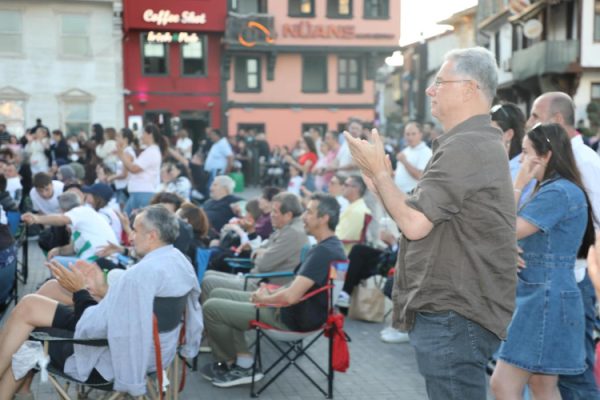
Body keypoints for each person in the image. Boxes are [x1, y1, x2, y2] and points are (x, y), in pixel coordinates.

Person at [344, 47, 517, 399]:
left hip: (455, 312)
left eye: (439, 82)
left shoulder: (467, 145)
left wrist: (380, 174)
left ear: (469, 88)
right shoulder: (470, 142)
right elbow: (417, 213)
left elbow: (414, 224)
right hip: (456, 311)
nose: (430, 90)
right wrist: (378, 180)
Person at [0, 205, 202, 398]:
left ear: (152, 235)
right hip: (153, 351)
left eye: (135, 230)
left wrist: (80, 291)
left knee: (28, 322)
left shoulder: (138, 276)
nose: (131, 236)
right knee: (52, 288)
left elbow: (91, 327)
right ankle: (22, 390)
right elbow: (137, 306)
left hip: (114, 360)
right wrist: (101, 291)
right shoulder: (180, 262)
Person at [491, 123, 595, 399]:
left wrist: (518, 184)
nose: (521, 159)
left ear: (546, 155)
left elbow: (506, 229)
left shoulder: (557, 192)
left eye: (526, 152)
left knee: (503, 384)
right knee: (542, 385)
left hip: (543, 297)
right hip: (548, 293)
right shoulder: (559, 189)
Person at [201, 193, 346, 388]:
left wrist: (265, 299)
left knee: (212, 307)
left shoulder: (323, 252)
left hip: (290, 317)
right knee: (218, 294)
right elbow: (298, 288)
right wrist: (269, 294)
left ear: (324, 218)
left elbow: (291, 296)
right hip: (300, 312)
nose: (303, 216)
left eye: (309, 212)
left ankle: (238, 366)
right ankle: (243, 361)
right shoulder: (333, 247)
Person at [525, 91, 600, 400]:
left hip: (575, 278)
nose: (529, 122)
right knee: (549, 376)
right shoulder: (562, 159)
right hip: (556, 279)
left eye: (535, 115)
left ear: (557, 120)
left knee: (575, 376)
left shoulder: (584, 161)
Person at [201, 192, 309, 301]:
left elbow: (263, 264)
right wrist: (261, 253)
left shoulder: (292, 233)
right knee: (208, 275)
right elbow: (257, 251)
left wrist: (261, 253)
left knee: (208, 282)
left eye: (275, 212)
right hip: (255, 279)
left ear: (288, 215)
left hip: (262, 287)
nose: (271, 215)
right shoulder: (286, 228)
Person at [22, 191, 118, 267]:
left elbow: (62, 219)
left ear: (62, 210)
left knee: (55, 263)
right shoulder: (83, 218)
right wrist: (58, 250)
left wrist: (36, 219)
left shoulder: (82, 211)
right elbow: (73, 248)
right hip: (98, 261)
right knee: (56, 263)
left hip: (100, 262)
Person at [118, 123, 165, 215]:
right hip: (138, 193)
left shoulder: (152, 152)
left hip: (143, 193)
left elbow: (134, 169)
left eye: (143, 133)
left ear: (150, 134)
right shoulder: (149, 151)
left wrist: (121, 155)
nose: (141, 136)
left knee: (130, 219)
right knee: (126, 219)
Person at [334, 175, 371, 254]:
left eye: (346, 185)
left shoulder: (358, 210)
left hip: (345, 256)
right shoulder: (354, 207)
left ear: (356, 189)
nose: (342, 187)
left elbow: (343, 237)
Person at [394, 122, 432, 193]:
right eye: (407, 134)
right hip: (399, 193)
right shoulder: (405, 150)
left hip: (413, 195)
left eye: (413, 134)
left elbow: (421, 176)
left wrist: (404, 162)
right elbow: (401, 173)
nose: (410, 137)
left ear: (420, 134)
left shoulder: (426, 152)